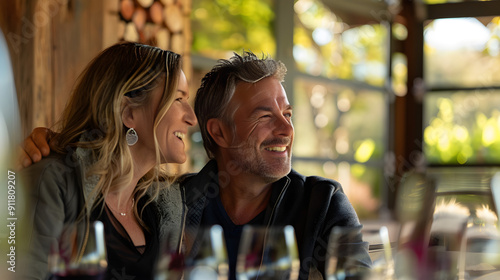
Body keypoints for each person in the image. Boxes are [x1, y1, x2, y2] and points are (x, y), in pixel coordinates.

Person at [21, 51, 371, 279]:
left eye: (288, 114)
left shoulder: (322, 203)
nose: (286, 129)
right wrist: (59, 149)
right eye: (265, 116)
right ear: (218, 132)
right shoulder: (171, 201)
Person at [18, 42, 197, 279]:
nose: (192, 118)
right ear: (128, 113)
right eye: (178, 99)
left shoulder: (161, 205)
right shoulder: (52, 181)